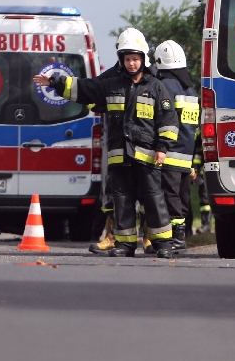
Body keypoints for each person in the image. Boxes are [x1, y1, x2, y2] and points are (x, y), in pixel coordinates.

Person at [33, 27, 180, 258]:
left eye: (135, 59)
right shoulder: (111, 84)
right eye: (127, 59)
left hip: (147, 157)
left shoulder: (156, 87)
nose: (131, 63)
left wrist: (162, 148)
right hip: (120, 155)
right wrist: (54, 82)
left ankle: (163, 244)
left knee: (154, 199)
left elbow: (168, 121)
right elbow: (84, 88)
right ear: (121, 60)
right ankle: (125, 244)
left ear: (143, 59)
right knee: (122, 200)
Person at [152, 40, 200, 253]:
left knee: (169, 196)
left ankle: (175, 239)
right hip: (186, 155)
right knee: (182, 196)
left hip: (169, 152)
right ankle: (181, 237)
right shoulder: (191, 90)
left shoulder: (163, 86)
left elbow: (161, 119)